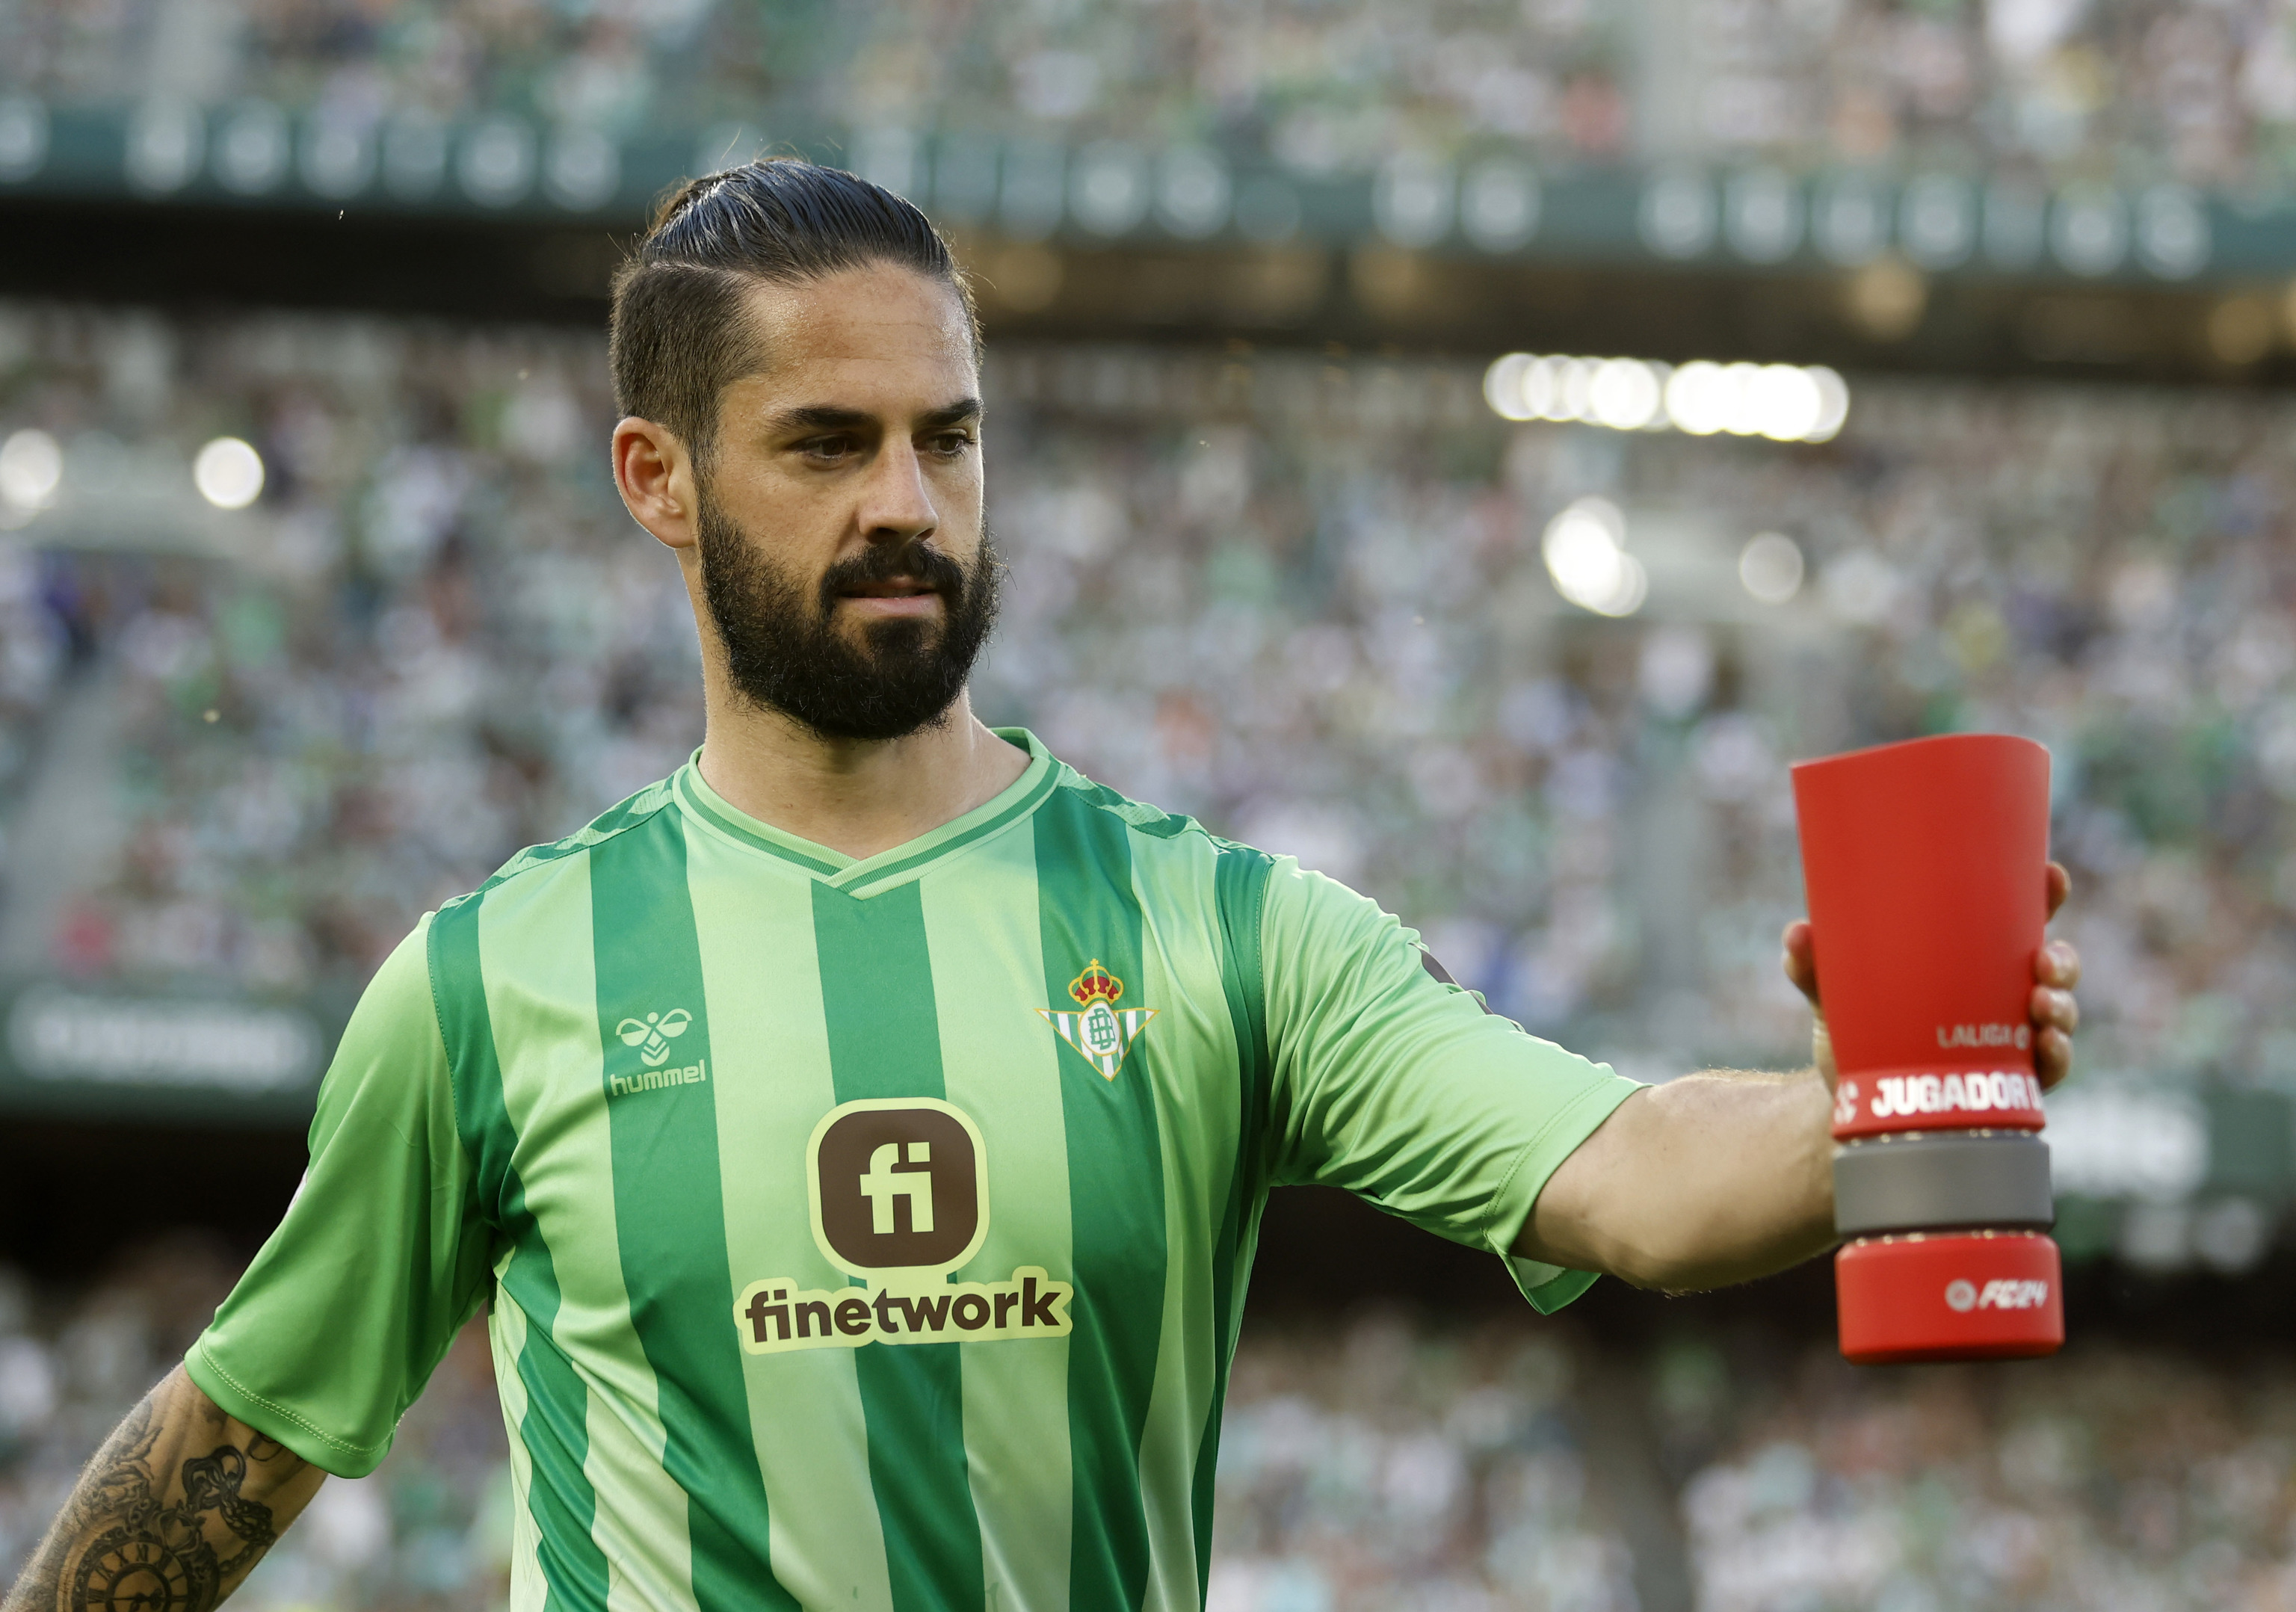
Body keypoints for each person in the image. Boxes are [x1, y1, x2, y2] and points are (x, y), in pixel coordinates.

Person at [4, 160, 2080, 1612]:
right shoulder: (491, 983)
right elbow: (243, 1441)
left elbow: (1630, 1173)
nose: (908, 504)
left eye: (949, 438)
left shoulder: (1219, 932)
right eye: (826, 443)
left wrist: (1870, 1111)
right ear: (660, 482)